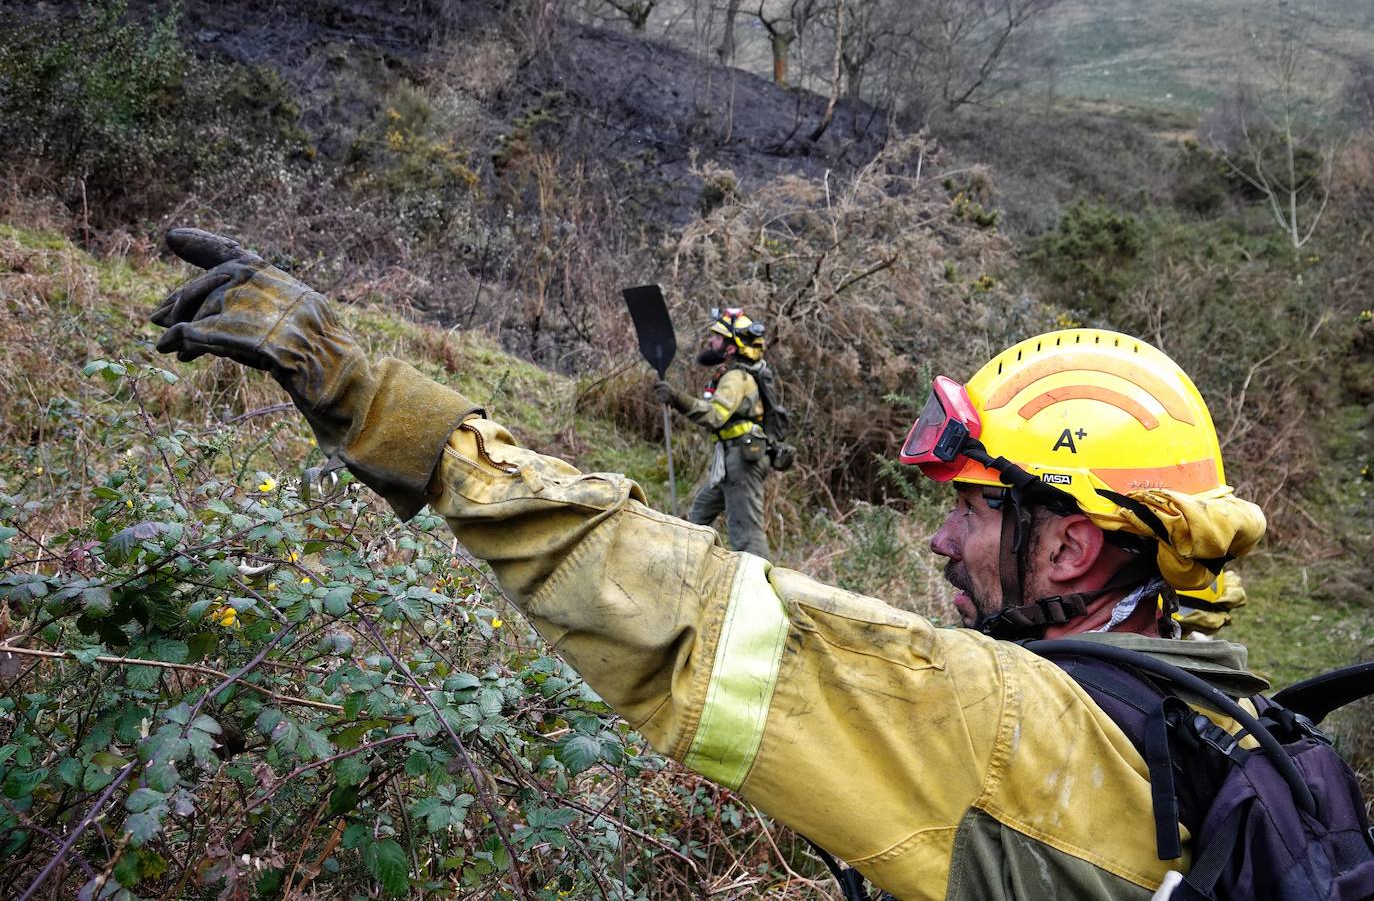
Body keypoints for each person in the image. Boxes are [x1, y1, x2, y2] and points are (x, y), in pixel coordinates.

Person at [146, 230, 1326, 899]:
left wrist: (377, 404)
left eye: (970, 512)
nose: (937, 539)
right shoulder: (1244, 723)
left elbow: (678, 615)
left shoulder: (1001, 725)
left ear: (1069, 541)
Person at [652, 306, 774, 559]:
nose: (711, 341)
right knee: (699, 515)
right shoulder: (729, 374)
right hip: (730, 460)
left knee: (746, 535)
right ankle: (688, 565)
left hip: (743, 460)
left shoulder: (737, 377)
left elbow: (715, 416)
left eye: (717, 338)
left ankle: (756, 589)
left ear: (730, 347)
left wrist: (677, 399)